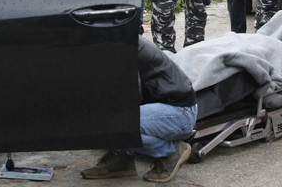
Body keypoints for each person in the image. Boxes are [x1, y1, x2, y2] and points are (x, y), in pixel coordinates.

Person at [80, 36, 197, 183]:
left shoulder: (117, 43)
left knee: (108, 124)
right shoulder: (107, 37)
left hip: (179, 112)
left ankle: (170, 151)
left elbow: (132, 96)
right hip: (162, 108)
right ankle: (122, 160)